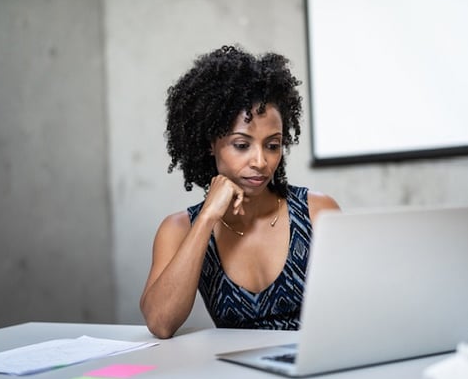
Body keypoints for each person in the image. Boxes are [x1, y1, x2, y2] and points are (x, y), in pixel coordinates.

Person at [140, 45, 340, 339]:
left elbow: (352, 313)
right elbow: (160, 323)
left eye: (272, 146)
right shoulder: (179, 229)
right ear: (211, 143)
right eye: (241, 145)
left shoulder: (317, 212)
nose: (260, 162)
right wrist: (207, 217)